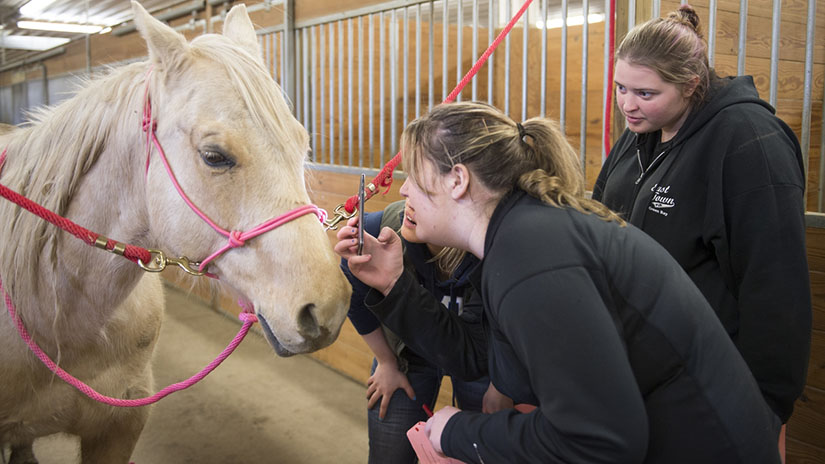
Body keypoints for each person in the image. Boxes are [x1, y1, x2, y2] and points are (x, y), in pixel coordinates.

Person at [335, 101, 782, 463]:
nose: (404, 190)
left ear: (457, 180)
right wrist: (394, 281)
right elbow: (474, 354)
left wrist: (462, 432)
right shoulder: (516, 239)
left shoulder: (531, 258)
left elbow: (599, 439)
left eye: (415, 175)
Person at [592, 5, 811, 427]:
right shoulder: (639, 132)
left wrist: (765, 405)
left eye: (645, 93)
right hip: (640, 368)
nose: (627, 105)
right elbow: (600, 218)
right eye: (620, 88)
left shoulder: (749, 142)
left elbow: (774, 283)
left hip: (710, 382)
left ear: (692, 85)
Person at [342, 199, 512, 464]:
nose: (405, 190)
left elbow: (509, 318)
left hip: (481, 359)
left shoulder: (494, 240)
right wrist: (386, 361)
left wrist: (503, 382)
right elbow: (350, 286)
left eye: (423, 185)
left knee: (486, 451)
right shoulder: (383, 228)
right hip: (407, 355)